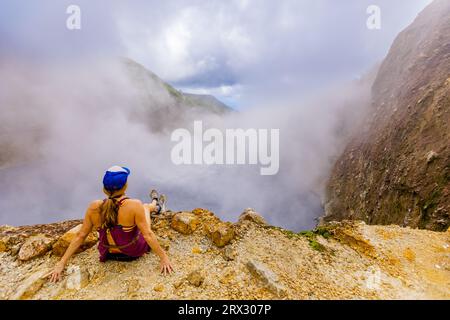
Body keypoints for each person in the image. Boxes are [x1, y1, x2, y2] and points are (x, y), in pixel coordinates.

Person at [48, 166, 173, 282]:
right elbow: (148, 235)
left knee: (141, 209)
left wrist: (61, 263)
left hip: (108, 254)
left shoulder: (94, 206)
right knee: (145, 208)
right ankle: (156, 205)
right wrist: (164, 258)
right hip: (132, 253)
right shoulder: (134, 205)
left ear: (104, 189)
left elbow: (80, 236)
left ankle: (155, 203)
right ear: (125, 186)